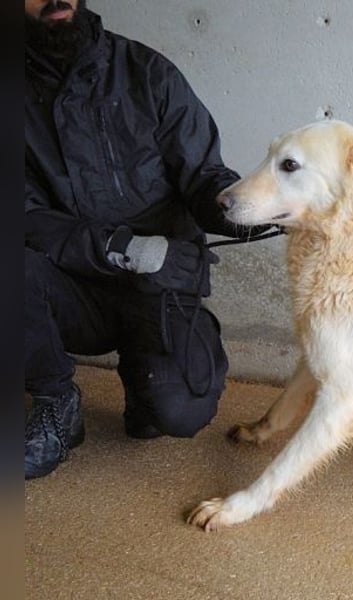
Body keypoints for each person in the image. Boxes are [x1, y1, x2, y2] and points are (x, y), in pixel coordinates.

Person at [24, 0, 271, 479]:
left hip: (160, 288)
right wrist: (125, 248)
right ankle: (56, 401)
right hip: (68, 291)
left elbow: (204, 177)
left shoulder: (147, 72)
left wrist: (255, 209)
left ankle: (150, 378)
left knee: (179, 412)